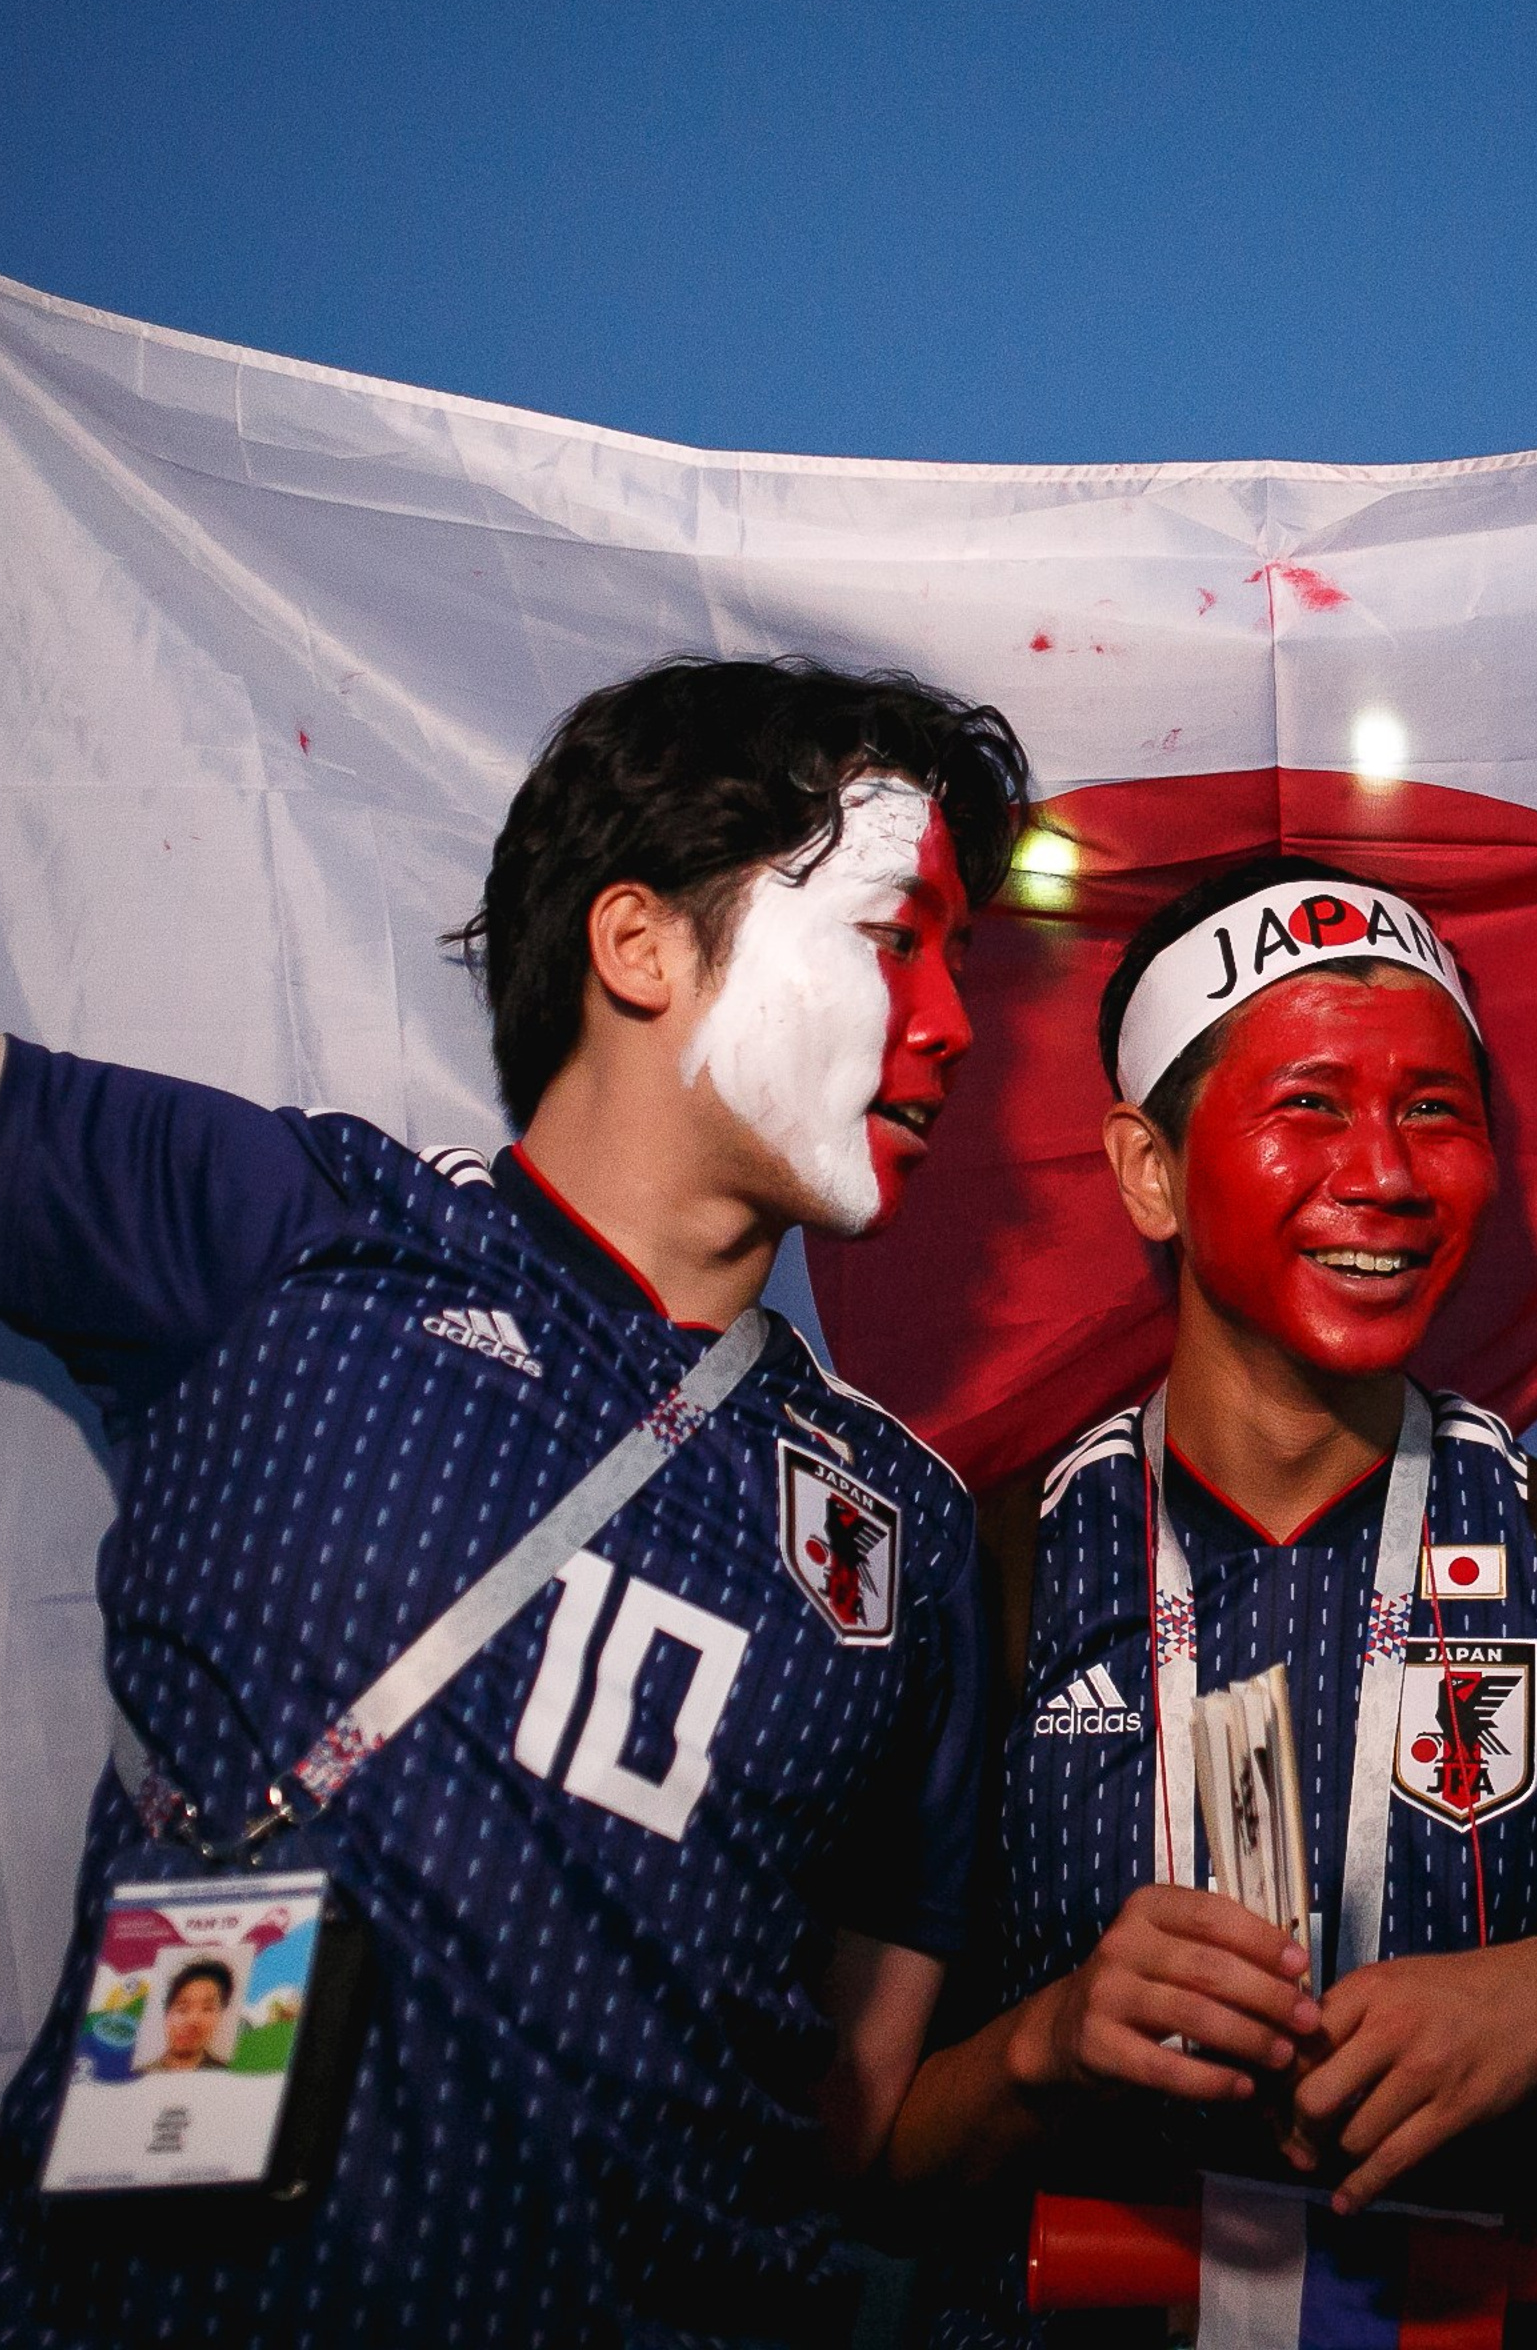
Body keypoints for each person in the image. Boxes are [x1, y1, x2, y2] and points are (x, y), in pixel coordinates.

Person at [0, 655, 1027, 2347]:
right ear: (639, 947)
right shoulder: (301, 1235)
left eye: (962, 962)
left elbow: (849, 2091)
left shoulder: (902, 1529)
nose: (955, 1024)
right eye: (888, 939)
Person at [888, 857, 1537, 2350]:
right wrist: (1046, 2043)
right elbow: (860, 2157)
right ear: (1149, 1169)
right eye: (1312, 1105)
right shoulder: (985, 1576)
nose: (1387, 1175)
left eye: (1436, 1111)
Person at [144, 1962, 236, 2076]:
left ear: (220, 2015)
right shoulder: (141, 2075)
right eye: (182, 2009)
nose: (193, 2020)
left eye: (207, 2009)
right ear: (166, 2015)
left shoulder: (230, 2076)